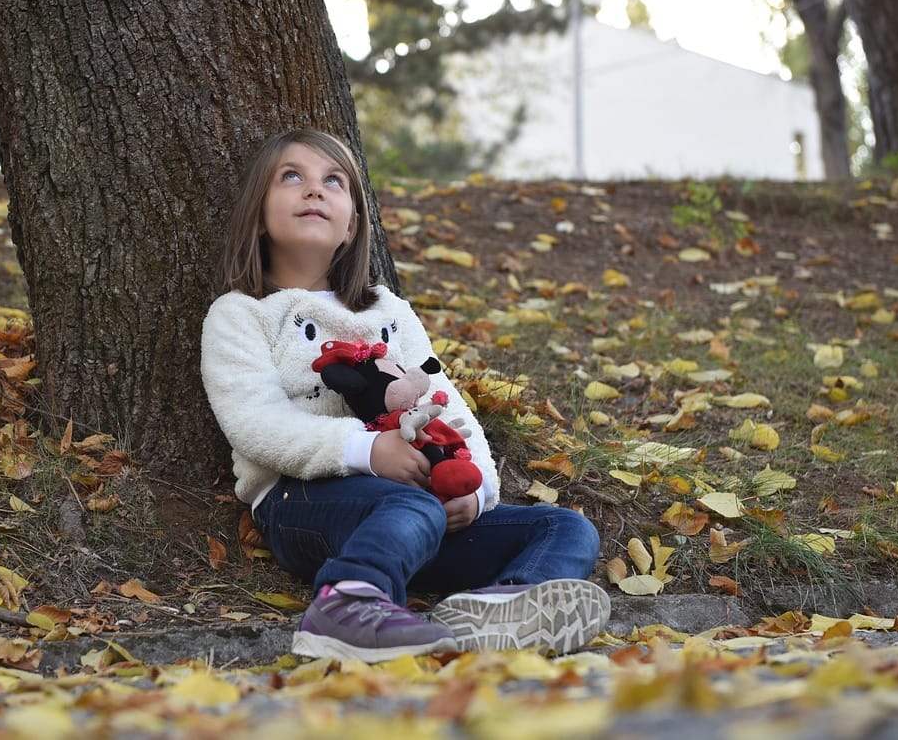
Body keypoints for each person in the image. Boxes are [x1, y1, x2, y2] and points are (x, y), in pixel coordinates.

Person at [201, 128, 610, 663]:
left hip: (424, 510)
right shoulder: (243, 312)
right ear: (258, 215)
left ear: (352, 225)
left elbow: (447, 406)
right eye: (292, 177)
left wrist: (475, 488)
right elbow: (254, 422)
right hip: (301, 500)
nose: (314, 190)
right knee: (409, 506)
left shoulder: (387, 311)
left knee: (564, 525)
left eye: (333, 181)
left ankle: (503, 609)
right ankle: (348, 601)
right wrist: (368, 451)